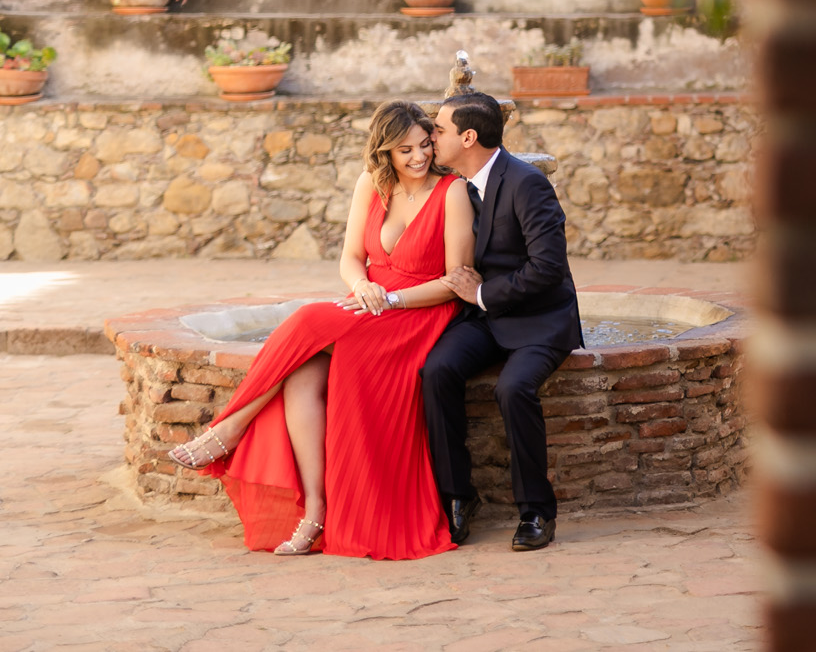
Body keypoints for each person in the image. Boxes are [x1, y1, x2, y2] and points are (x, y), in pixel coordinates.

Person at [165, 99, 471, 558]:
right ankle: (314, 509)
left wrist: (390, 298)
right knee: (301, 374)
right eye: (404, 149)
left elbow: (455, 281)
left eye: (425, 145)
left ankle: (229, 428)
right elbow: (350, 257)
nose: (418, 157)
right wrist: (363, 284)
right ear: (384, 151)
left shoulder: (453, 192)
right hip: (369, 303)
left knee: (308, 319)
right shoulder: (372, 183)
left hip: (416, 314)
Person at [422, 55, 582, 552]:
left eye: (439, 128)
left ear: (468, 138)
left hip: (539, 320)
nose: (432, 137)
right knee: (435, 371)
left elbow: (548, 267)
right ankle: (457, 496)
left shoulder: (527, 183)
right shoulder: (451, 187)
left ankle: (536, 510)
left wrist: (484, 293)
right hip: (485, 320)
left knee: (513, 389)